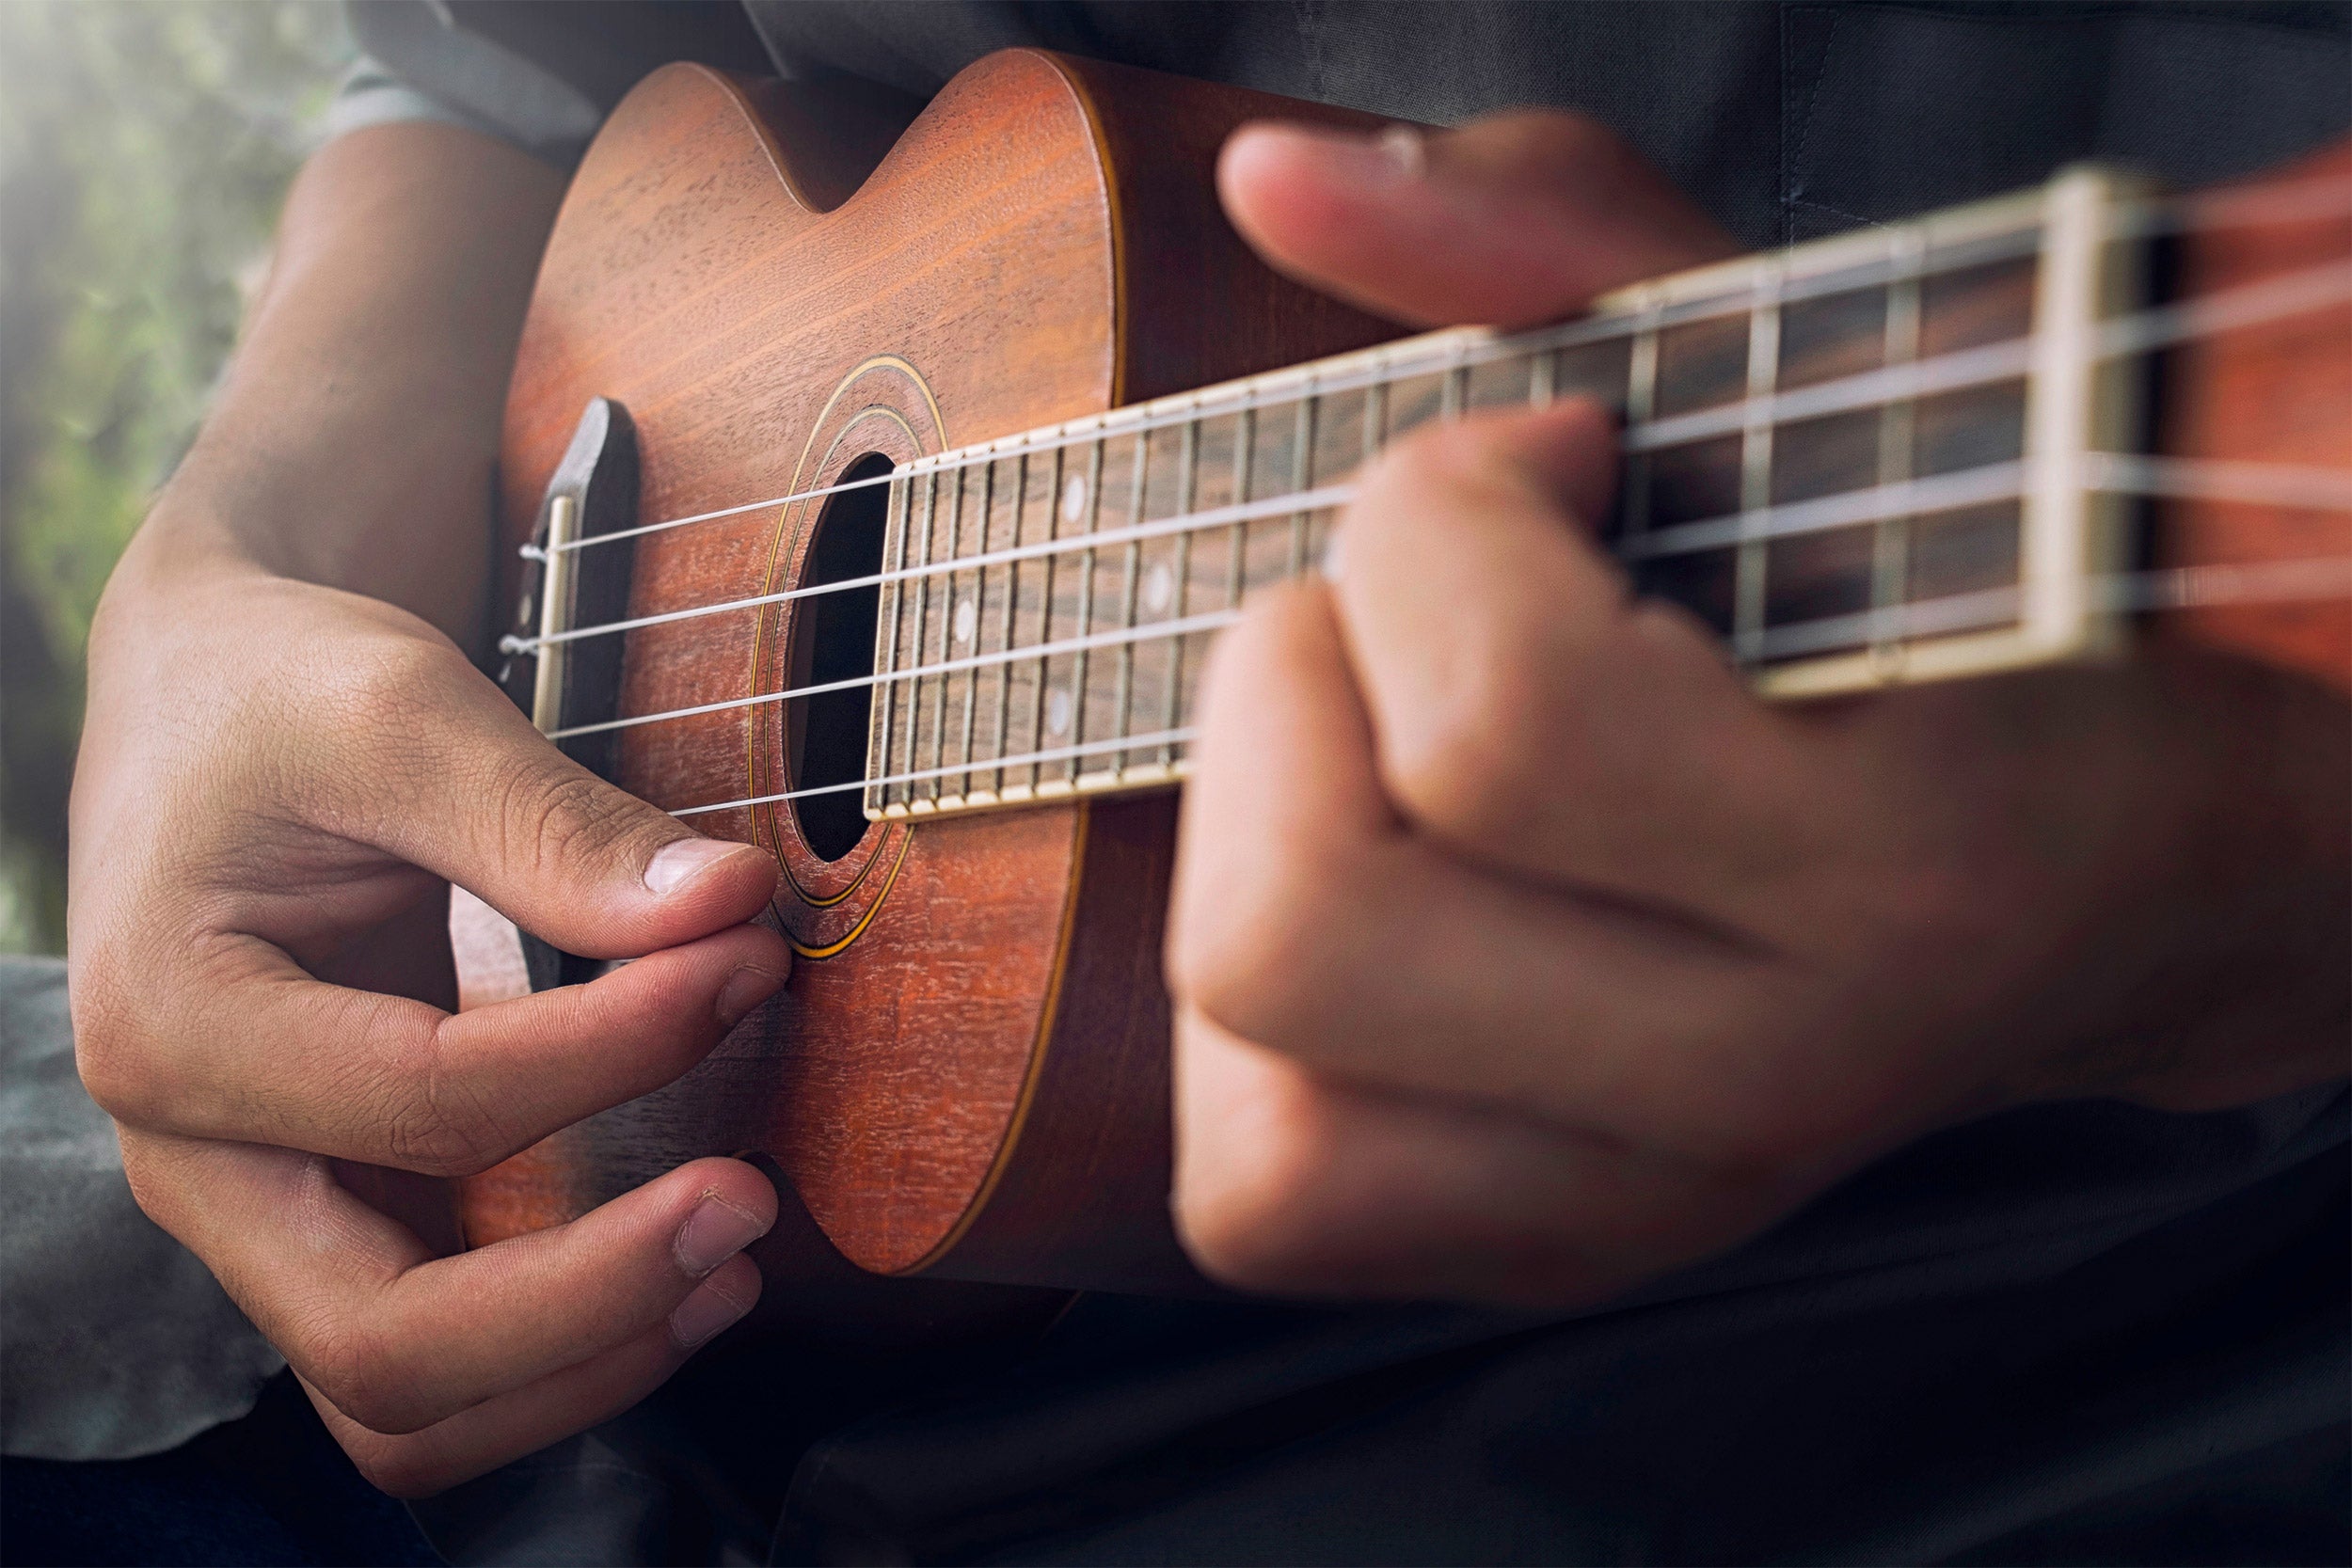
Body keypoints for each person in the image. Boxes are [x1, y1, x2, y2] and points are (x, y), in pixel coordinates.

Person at [7, 3, 2347, 1562]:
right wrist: (241, 550)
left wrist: (2266, 888)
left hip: (2073, 1338)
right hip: (561, 1232)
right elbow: (490, 72)